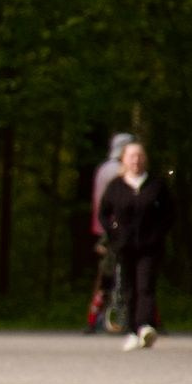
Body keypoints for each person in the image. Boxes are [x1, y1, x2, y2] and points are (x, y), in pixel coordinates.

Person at [97, 141, 173, 349]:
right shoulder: (116, 186)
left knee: (145, 285)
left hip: (150, 246)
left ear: (145, 159)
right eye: (132, 156)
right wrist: (114, 234)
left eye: (139, 156)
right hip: (124, 246)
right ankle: (132, 329)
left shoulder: (156, 185)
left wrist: (158, 234)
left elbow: (169, 213)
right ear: (124, 160)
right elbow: (103, 213)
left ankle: (145, 325)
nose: (136, 160)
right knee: (128, 288)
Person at [84, 131, 132, 335]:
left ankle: (95, 317)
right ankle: (103, 318)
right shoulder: (118, 171)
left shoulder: (103, 168)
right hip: (115, 230)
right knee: (115, 274)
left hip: (102, 228)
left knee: (105, 275)